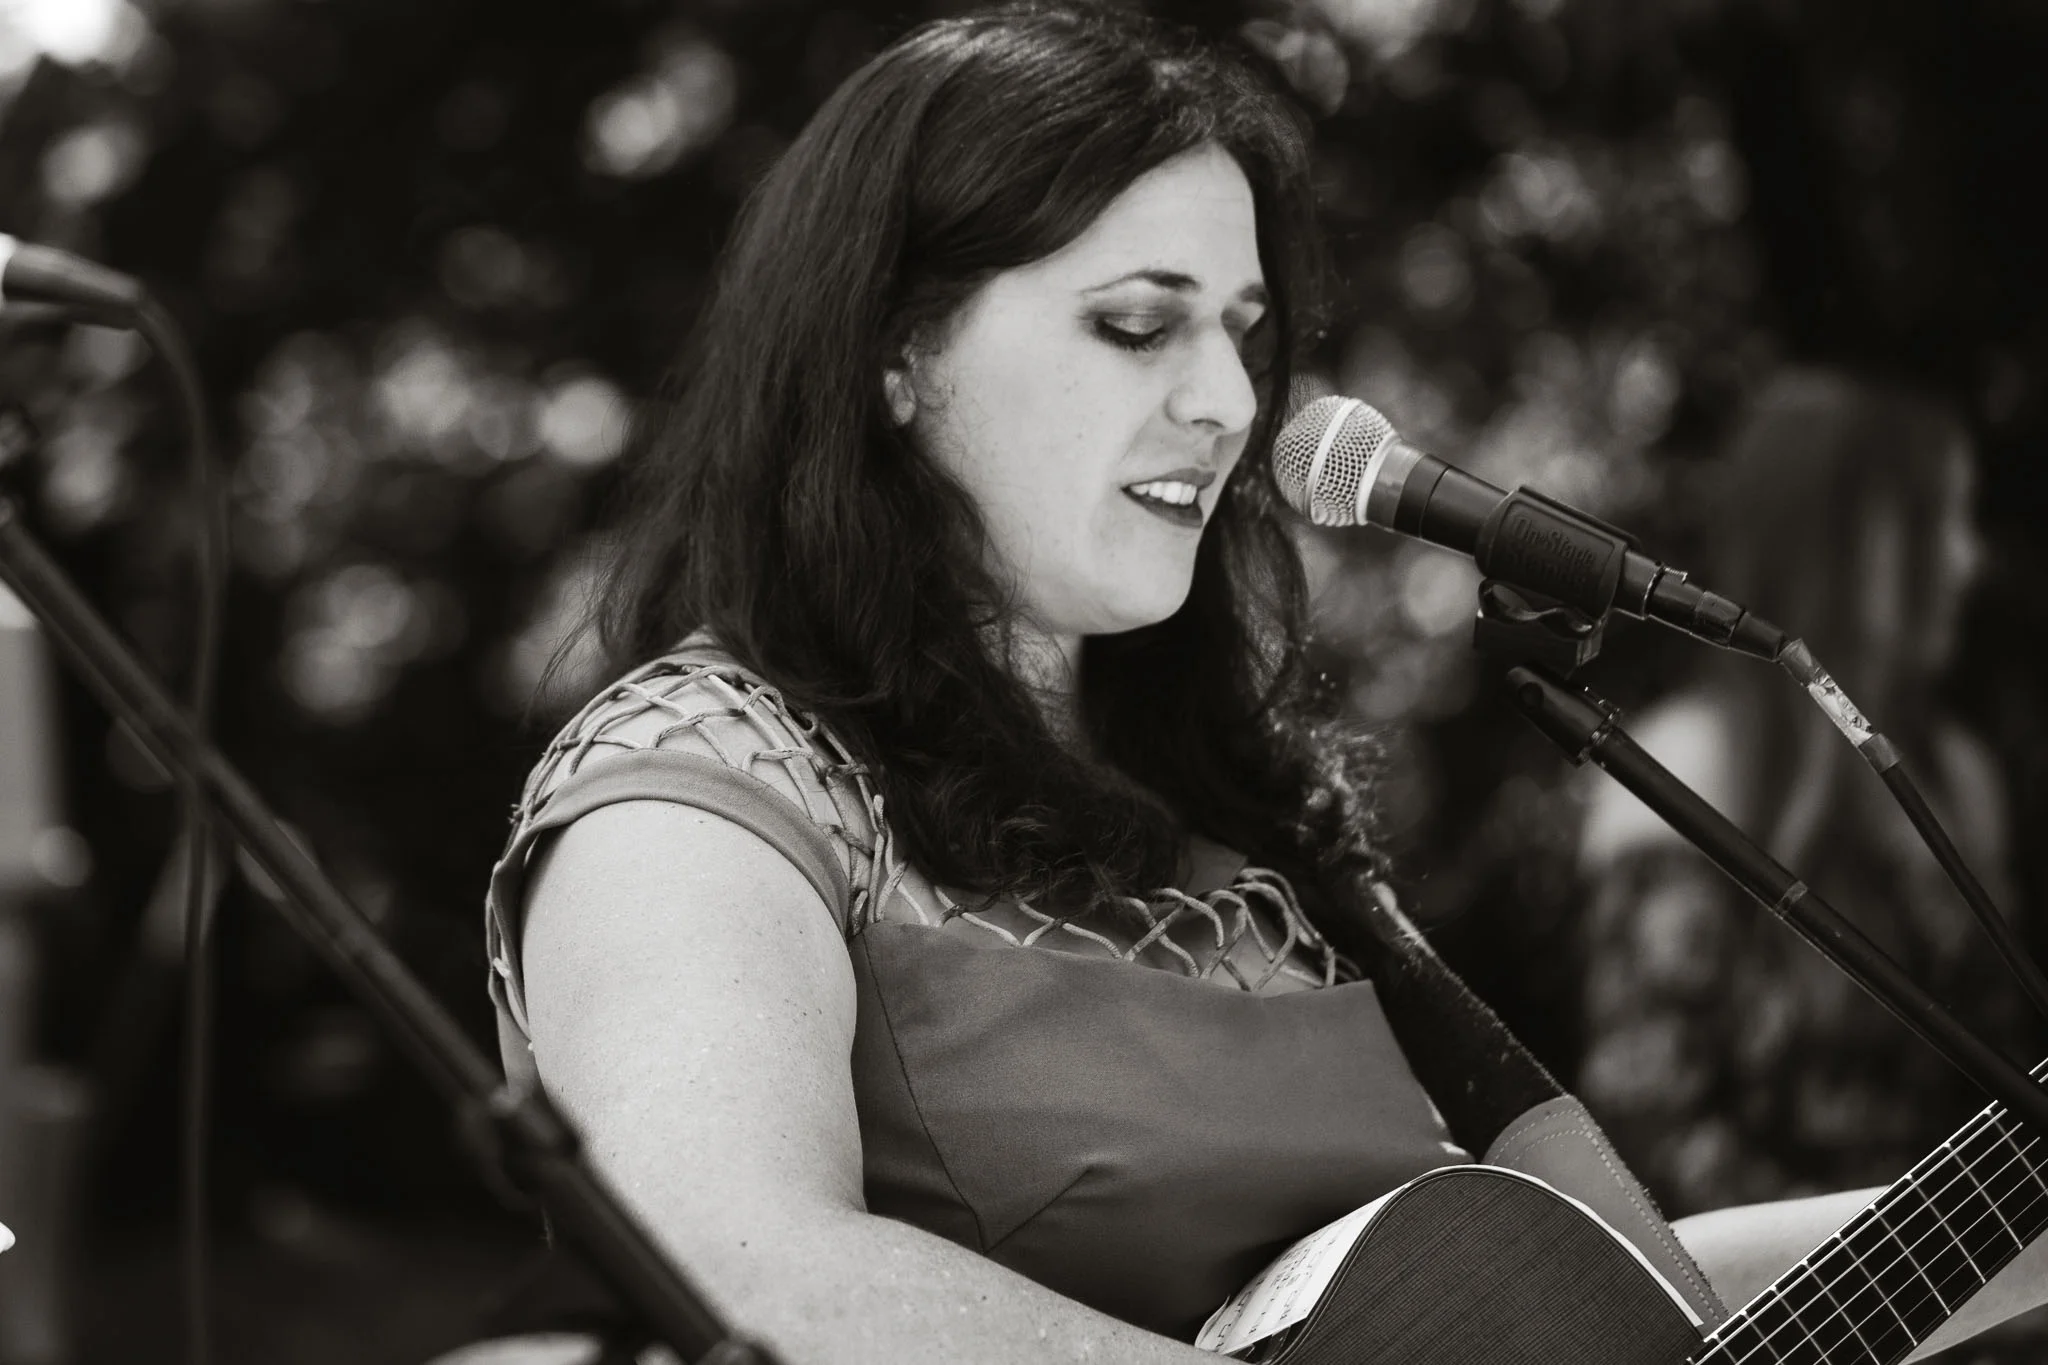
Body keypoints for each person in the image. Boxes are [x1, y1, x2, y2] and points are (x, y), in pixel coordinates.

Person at [477, 10, 2048, 1362]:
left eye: (1241, 333)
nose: (1228, 401)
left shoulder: (1249, 829)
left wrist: (2007, 1217)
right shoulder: (707, 779)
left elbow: (1627, 1307)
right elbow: (729, 1263)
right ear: (896, 354)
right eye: (1135, 325)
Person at [1577, 372, 2036, 1219]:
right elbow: (1651, 1135)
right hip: (1802, 1313)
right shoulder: (1689, 766)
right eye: (1938, 520)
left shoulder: (1956, 771)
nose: (1967, 561)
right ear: (1843, 546)